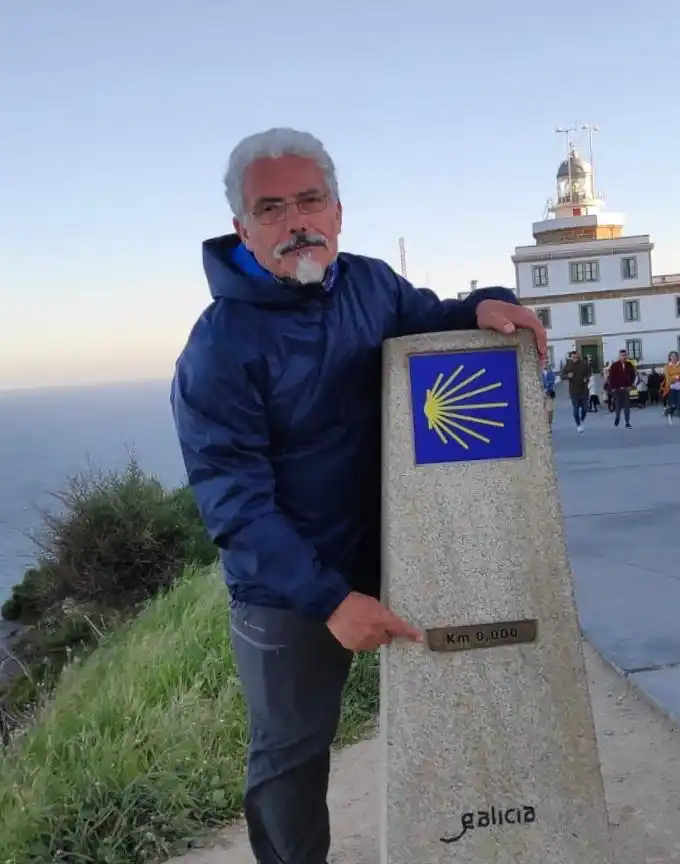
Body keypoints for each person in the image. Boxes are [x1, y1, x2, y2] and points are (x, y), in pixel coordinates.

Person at [169, 128, 547, 864]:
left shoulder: (372, 284)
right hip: (286, 590)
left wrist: (483, 306)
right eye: (271, 209)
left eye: (310, 200)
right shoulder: (218, 347)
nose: (296, 222)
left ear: (337, 212)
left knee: (456, 697)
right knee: (290, 753)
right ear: (243, 230)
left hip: (393, 552)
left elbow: (428, 318)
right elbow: (235, 505)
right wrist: (330, 600)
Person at [560, 350, 590, 432]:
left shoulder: (584, 364)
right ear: (571, 357)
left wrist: (586, 378)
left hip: (583, 390)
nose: (575, 359)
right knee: (575, 408)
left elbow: (589, 373)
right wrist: (567, 376)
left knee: (585, 408)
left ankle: (582, 419)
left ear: (578, 356)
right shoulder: (568, 365)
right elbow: (562, 375)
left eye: (576, 357)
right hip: (574, 391)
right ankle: (578, 425)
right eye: (573, 357)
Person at [608, 349, 636, 428]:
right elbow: (611, 378)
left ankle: (627, 422)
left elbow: (633, 376)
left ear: (626, 356)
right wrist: (613, 388)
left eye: (624, 355)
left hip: (626, 388)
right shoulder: (615, 365)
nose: (623, 357)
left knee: (627, 406)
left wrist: (630, 385)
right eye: (621, 355)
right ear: (619, 356)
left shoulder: (629, 365)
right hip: (617, 389)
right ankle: (617, 417)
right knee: (618, 406)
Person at [664, 350, 680, 426]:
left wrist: (677, 376)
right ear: (670, 357)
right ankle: (670, 414)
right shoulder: (667, 366)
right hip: (672, 388)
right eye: (672, 356)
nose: (674, 357)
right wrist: (677, 377)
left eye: (675, 356)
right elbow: (668, 378)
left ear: (677, 357)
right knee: (673, 405)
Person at [542, 361, 556, 431]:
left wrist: (547, 388)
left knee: (550, 410)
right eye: (544, 362)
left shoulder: (551, 372)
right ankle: (544, 426)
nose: (545, 364)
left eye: (546, 362)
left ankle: (549, 425)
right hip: (540, 394)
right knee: (542, 410)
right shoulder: (538, 373)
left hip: (549, 393)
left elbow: (552, 382)